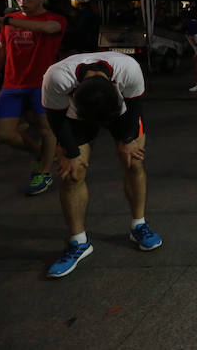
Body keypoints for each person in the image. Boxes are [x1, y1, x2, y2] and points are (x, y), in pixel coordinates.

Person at [41, 51, 162, 278]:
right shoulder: (56, 77)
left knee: (133, 161)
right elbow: (56, 120)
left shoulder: (129, 69)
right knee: (71, 173)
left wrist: (127, 140)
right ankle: (79, 242)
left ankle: (139, 225)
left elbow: (136, 108)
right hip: (73, 119)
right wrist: (71, 152)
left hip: (123, 114)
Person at [0, 0, 66, 196]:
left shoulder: (55, 19)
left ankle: (44, 173)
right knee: (4, 134)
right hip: (12, 84)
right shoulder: (11, 20)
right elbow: (1, 48)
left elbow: (47, 28)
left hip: (41, 84)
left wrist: (9, 22)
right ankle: (40, 153)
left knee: (46, 129)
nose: (21, 1)